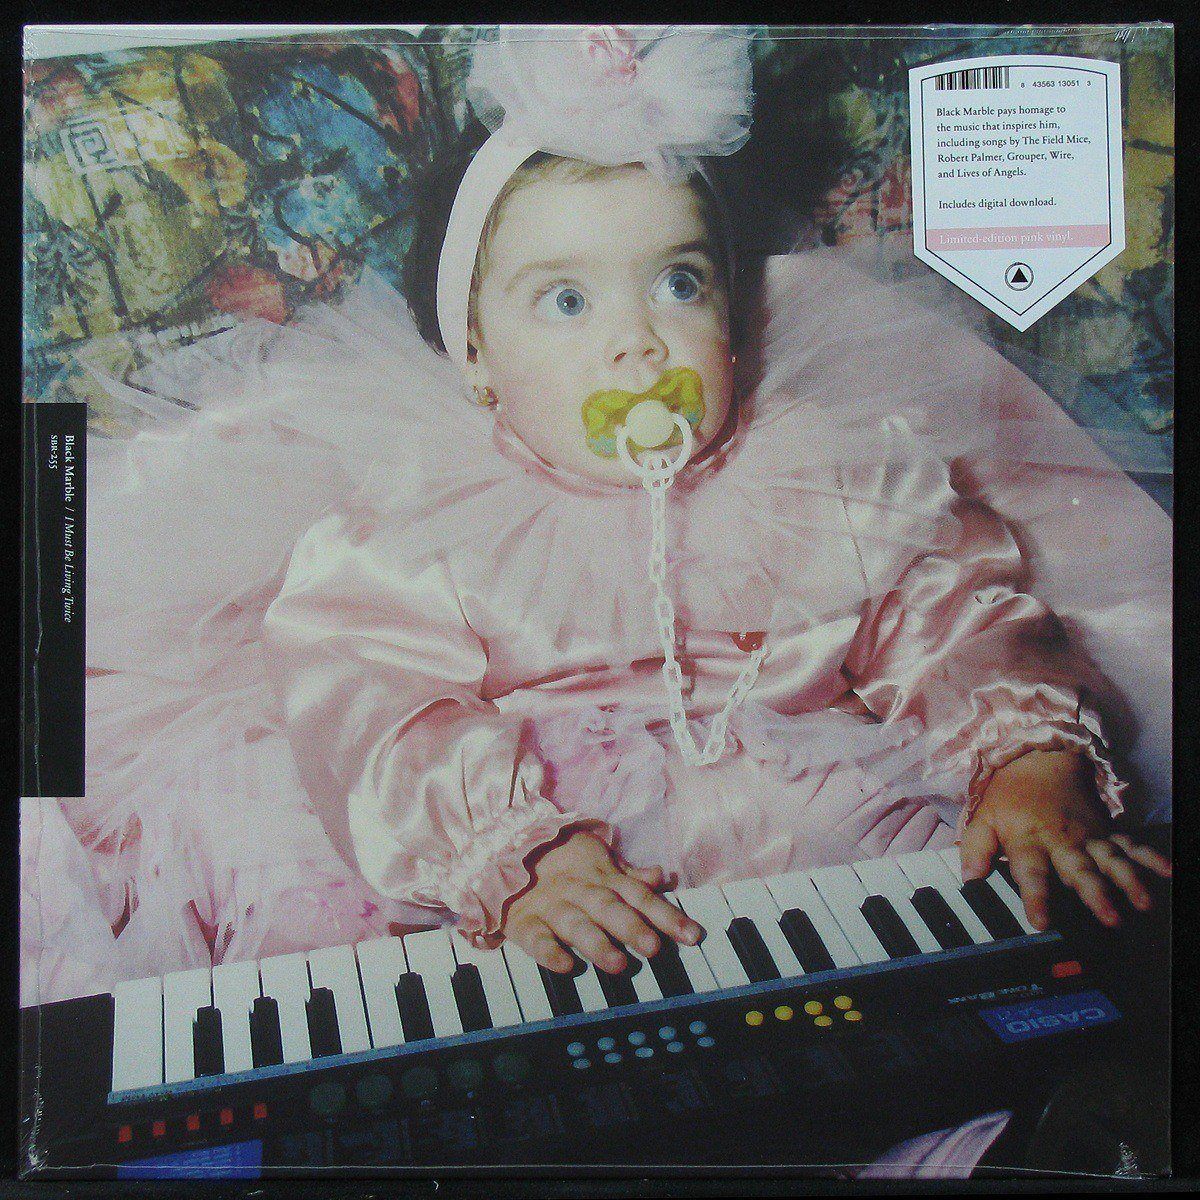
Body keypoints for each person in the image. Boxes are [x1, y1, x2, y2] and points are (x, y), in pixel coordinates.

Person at [23, 24, 1170, 1173]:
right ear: (476, 354)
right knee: (368, 962)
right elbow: (371, 693)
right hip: (530, 825)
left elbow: (951, 612)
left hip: (805, 811)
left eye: (679, 283)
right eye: (565, 302)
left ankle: (989, 1131)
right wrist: (515, 856)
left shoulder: (825, 474)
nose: (638, 343)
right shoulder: (427, 516)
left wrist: (1024, 755)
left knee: (968, 930)